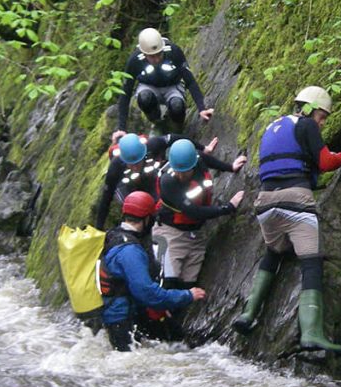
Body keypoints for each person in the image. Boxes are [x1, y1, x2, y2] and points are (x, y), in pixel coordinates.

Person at [231, 85, 341, 353]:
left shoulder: (273, 127)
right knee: (311, 262)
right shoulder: (306, 125)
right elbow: (325, 162)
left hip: (265, 203)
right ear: (310, 109)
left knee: (274, 251)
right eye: (322, 117)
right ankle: (311, 334)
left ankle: (248, 313)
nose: (322, 123)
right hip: (295, 199)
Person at [99, 191, 206, 351]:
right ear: (147, 218)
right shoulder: (130, 251)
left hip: (114, 314)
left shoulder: (113, 235)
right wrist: (187, 295)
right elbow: (146, 293)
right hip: (122, 320)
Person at [94, 132, 246, 230]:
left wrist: (205, 149)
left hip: (150, 178)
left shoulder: (152, 145)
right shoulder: (116, 167)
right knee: (139, 209)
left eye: (138, 162)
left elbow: (177, 140)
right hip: (130, 187)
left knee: (160, 204)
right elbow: (106, 199)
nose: (135, 166)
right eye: (131, 164)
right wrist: (99, 229)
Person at [153, 138, 245, 290]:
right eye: (178, 171)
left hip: (194, 233)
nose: (181, 175)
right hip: (170, 232)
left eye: (185, 171)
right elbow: (193, 212)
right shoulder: (168, 181)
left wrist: (230, 167)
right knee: (168, 282)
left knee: (189, 285)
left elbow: (207, 159)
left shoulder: (197, 159)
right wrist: (228, 208)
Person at [111, 27, 213, 140]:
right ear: (144, 54)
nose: (156, 59)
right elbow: (126, 92)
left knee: (177, 105)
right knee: (144, 97)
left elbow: (190, 80)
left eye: (159, 54)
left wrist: (202, 108)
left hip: (173, 86)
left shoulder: (173, 52)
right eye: (152, 56)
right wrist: (121, 128)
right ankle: (157, 123)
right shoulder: (135, 60)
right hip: (148, 86)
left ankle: (175, 127)